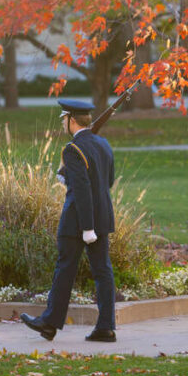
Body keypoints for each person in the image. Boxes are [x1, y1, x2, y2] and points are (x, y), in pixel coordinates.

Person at [20, 98, 117, 343]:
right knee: (103, 272)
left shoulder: (72, 150)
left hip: (77, 223)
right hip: (102, 217)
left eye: (64, 119)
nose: (64, 123)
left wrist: (87, 227)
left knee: (65, 270)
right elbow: (108, 181)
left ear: (72, 121)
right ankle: (106, 327)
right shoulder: (103, 144)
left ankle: (50, 321)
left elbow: (83, 190)